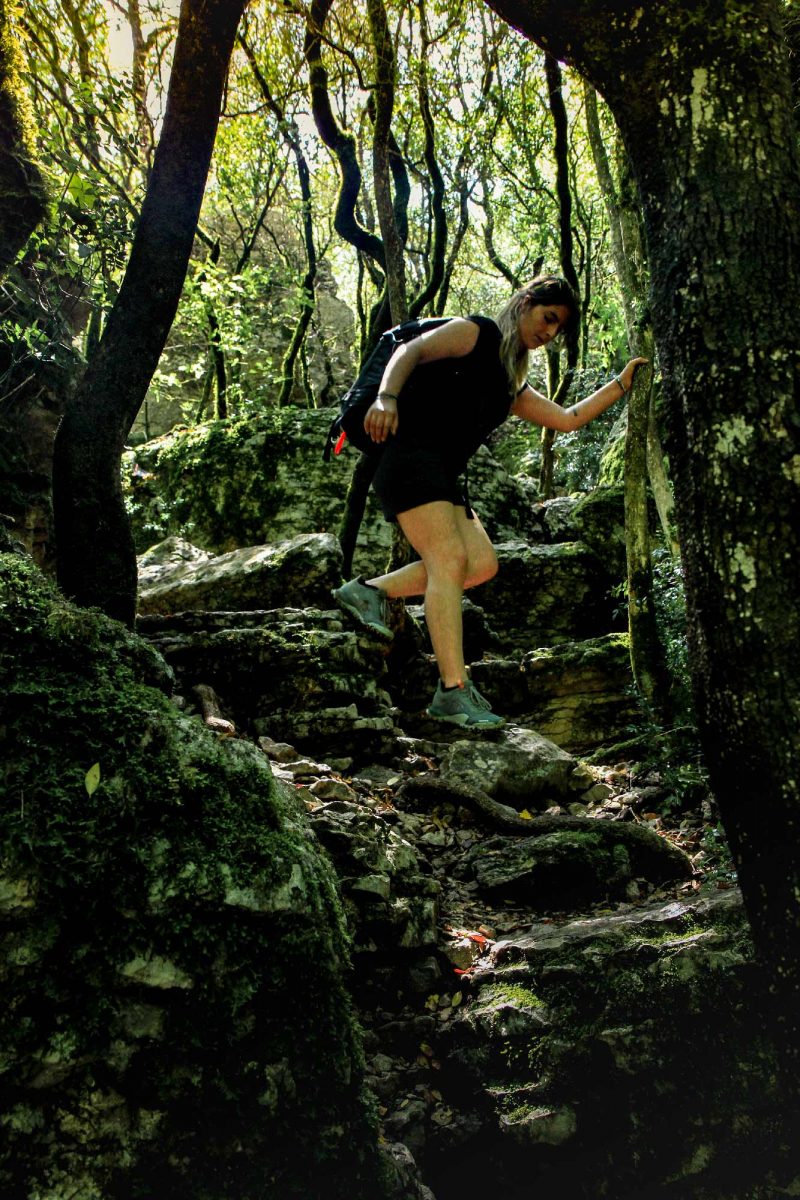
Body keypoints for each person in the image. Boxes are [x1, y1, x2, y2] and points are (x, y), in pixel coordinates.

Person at [333, 274, 647, 729]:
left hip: (443, 476)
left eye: (557, 330)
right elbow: (411, 350)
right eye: (548, 318)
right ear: (525, 302)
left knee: (480, 563)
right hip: (408, 457)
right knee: (448, 559)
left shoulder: (509, 384)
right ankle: (453, 691)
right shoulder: (476, 332)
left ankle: (367, 592)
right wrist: (386, 397)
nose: (549, 333)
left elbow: (566, 419)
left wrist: (621, 383)